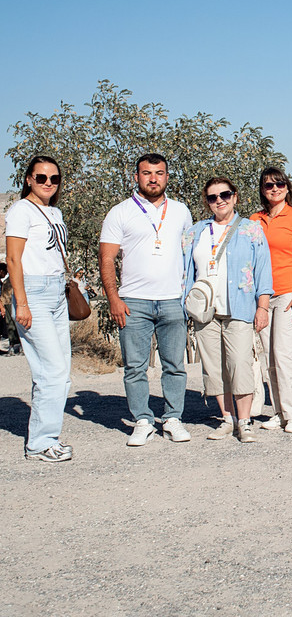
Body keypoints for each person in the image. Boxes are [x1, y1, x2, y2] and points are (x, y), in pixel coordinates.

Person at [99, 153, 193, 447]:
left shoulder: (181, 211)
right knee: (135, 366)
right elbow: (106, 258)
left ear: (167, 176)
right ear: (136, 177)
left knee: (174, 364)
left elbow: (189, 256)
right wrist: (113, 298)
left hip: (173, 300)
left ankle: (173, 418)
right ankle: (142, 420)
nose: (153, 178)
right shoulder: (120, 212)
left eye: (159, 173)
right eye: (147, 173)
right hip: (133, 301)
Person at [181, 178, 274, 443]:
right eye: (212, 197)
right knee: (213, 366)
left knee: (240, 364)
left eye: (225, 194)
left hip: (240, 307)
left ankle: (245, 422)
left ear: (235, 197)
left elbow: (263, 272)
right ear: (206, 202)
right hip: (204, 310)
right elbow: (186, 271)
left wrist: (263, 307)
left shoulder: (251, 230)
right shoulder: (196, 232)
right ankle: (227, 418)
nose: (219, 200)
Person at [5, 156, 73, 461]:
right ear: (29, 179)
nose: (48, 183)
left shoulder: (53, 211)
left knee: (60, 371)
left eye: (54, 178)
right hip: (33, 291)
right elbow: (14, 260)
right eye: (42, 177)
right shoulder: (20, 210)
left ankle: (48, 437)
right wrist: (22, 302)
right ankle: (40, 443)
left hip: (57, 291)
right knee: (53, 371)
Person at [251, 167, 292, 434]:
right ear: (263, 190)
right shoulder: (255, 219)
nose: (274, 189)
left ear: (287, 187)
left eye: (279, 184)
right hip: (263, 295)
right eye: (268, 185)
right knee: (270, 357)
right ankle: (279, 411)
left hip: (289, 293)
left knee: (285, 355)